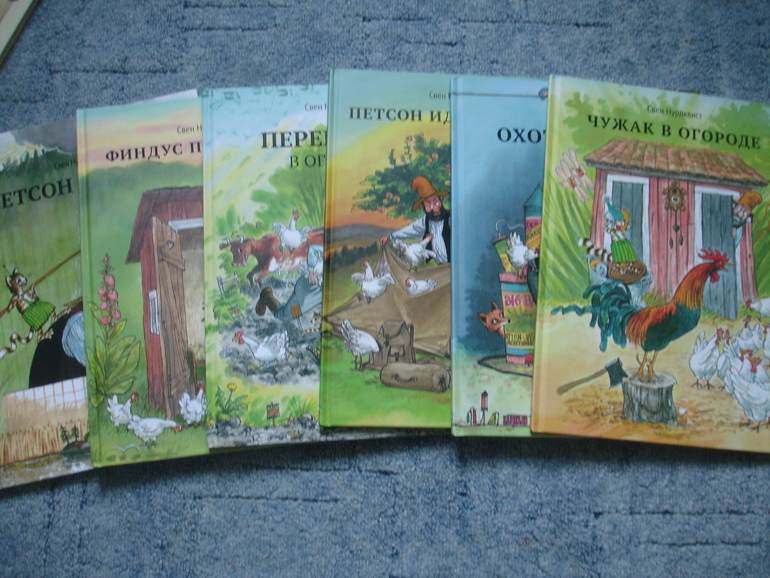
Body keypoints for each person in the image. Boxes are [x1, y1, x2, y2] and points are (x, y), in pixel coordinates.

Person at [381, 176, 450, 264]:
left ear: (440, 199)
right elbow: (410, 230)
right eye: (429, 203)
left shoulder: (451, 218)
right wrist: (390, 237)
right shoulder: (425, 221)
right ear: (422, 206)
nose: (434, 207)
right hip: (441, 265)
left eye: (436, 201)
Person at [255, 244, 323, 323]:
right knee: (289, 314)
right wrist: (312, 271)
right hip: (311, 287)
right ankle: (267, 297)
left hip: (329, 291)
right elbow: (313, 249)